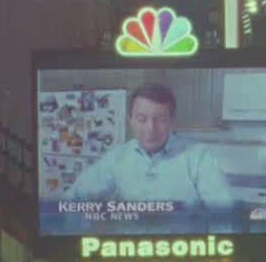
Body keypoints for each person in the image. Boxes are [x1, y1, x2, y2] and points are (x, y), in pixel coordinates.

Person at [65, 82, 235, 222]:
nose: (150, 129)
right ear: (130, 120)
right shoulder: (116, 158)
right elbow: (73, 199)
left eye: (161, 120)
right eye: (141, 119)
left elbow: (225, 215)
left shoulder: (199, 158)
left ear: (172, 121)